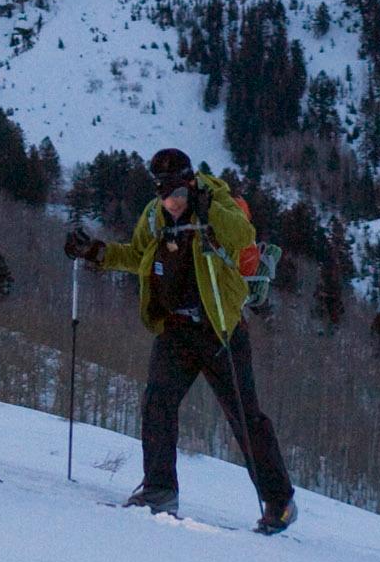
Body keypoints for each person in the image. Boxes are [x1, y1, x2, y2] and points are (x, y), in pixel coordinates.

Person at [64, 147, 298, 533]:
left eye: (178, 195)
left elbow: (244, 238)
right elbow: (136, 255)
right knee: (157, 402)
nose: (172, 204)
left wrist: (209, 212)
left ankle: (280, 501)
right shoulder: (155, 216)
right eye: (164, 195)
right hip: (176, 329)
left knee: (244, 417)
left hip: (220, 329)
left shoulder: (215, 200)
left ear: (191, 184)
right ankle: (159, 491)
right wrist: (95, 252)